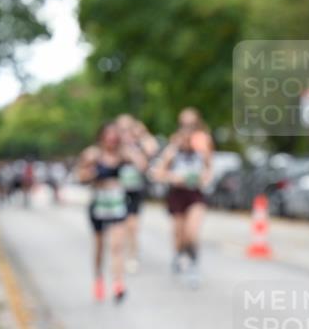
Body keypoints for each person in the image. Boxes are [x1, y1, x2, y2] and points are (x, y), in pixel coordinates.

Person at [75, 121, 147, 303]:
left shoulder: (123, 153)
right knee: (100, 247)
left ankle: (118, 284)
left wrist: (133, 148)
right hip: (99, 203)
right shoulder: (93, 154)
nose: (111, 141)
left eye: (115, 137)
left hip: (117, 203)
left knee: (117, 246)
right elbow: (80, 176)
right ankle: (98, 279)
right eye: (108, 137)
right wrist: (91, 174)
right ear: (101, 137)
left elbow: (142, 166)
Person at [152, 108, 213, 289]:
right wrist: (173, 177)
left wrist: (204, 178)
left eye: (191, 125)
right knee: (179, 234)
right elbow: (158, 172)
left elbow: (209, 169)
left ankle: (193, 265)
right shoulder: (173, 148)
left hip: (195, 194)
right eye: (184, 125)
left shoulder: (203, 145)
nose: (188, 129)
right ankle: (178, 254)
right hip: (177, 194)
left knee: (191, 232)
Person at [116, 113, 159, 274]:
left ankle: (132, 255)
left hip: (134, 189)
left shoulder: (139, 145)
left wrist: (142, 134)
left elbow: (149, 155)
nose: (124, 132)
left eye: (127, 128)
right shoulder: (114, 145)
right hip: (117, 191)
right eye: (121, 129)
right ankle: (120, 253)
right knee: (120, 227)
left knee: (132, 226)